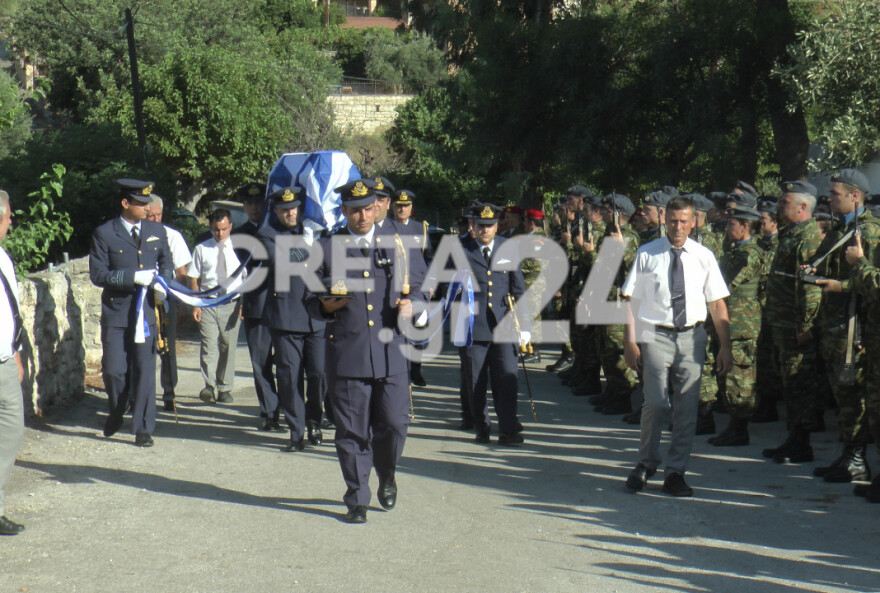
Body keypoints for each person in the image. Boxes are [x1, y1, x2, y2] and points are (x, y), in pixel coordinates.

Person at [307, 178, 428, 524]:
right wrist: (326, 306)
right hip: (348, 352)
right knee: (351, 431)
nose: (362, 215)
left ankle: (387, 473)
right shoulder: (327, 248)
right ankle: (356, 498)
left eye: (368, 208)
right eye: (355, 210)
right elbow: (310, 300)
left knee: (393, 423)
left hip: (392, 352)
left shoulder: (401, 244)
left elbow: (421, 286)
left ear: (377, 207)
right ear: (344, 211)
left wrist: (413, 303)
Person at [622, 195, 732, 497]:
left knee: (687, 408)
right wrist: (629, 342)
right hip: (656, 335)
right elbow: (632, 301)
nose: (678, 227)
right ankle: (645, 464)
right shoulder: (648, 254)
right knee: (656, 404)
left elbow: (717, 303)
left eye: (684, 221)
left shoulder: (703, 256)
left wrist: (726, 345)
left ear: (693, 222)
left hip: (691, 337)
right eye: (673, 221)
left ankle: (676, 473)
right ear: (663, 219)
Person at [89, 179, 172, 447]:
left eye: (148, 202)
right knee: (114, 371)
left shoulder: (156, 229)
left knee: (145, 370)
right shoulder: (105, 233)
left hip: (146, 313)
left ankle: (143, 428)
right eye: (141, 203)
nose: (147, 208)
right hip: (118, 312)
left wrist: (163, 284)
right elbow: (99, 275)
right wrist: (133, 277)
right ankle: (117, 408)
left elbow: (165, 262)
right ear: (126, 204)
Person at [813, 169, 879, 483]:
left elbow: (871, 284)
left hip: (856, 327)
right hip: (836, 324)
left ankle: (856, 459)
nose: (828, 197)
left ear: (855, 196)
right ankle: (849, 453)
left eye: (836, 193)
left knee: (853, 394)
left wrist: (841, 285)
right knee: (842, 393)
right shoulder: (842, 227)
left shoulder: (869, 231)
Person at [258, 186, 327, 451]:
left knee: (319, 374)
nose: (290, 213)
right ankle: (296, 431)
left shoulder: (316, 229)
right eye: (284, 210)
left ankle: (314, 421)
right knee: (289, 377)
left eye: (294, 208)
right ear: (276, 211)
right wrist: (308, 248)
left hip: (316, 316)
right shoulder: (267, 234)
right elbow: (281, 260)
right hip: (286, 316)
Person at [461, 203, 529, 445]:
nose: (485, 230)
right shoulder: (462, 249)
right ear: (474, 226)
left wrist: (526, 326)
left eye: (490, 226)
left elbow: (518, 289)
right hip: (473, 327)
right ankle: (482, 427)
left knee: (507, 380)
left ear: (497, 225)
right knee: (476, 383)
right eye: (481, 226)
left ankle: (508, 429)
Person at [709, 206, 765, 446]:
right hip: (729, 320)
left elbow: (726, 285)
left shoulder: (750, 254)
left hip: (743, 323)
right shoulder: (733, 251)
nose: (727, 228)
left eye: (732, 224)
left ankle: (739, 428)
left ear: (745, 227)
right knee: (728, 373)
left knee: (740, 376)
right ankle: (734, 425)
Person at [233, 182, 281, 430]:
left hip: (284, 304)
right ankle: (270, 412)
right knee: (261, 363)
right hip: (258, 306)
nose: (253, 207)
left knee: (287, 363)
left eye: (258, 202)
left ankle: (291, 408)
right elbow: (257, 259)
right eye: (249, 203)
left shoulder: (281, 229)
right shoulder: (239, 235)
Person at [189, 209, 242, 405]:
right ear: (210, 227)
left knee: (228, 346)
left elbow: (247, 279)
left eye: (224, 229)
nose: (220, 233)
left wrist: (243, 304)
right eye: (216, 229)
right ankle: (209, 386)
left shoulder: (239, 249)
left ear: (231, 227)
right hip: (208, 301)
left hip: (232, 303)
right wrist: (196, 304)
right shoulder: (202, 249)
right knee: (209, 345)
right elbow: (193, 277)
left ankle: (225, 387)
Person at [145, 195, 192, 412]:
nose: (154, 219)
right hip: (144, 297)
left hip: (168, 297)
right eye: (150, 215)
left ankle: (169, 391)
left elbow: (181, 273)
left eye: (158, 215)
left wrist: (182, 304)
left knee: (168, 346)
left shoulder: (172, 236)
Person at [0, 190, 25, 534]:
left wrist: (16, 354)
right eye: (7, 217)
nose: (10, 222)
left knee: (11, 432)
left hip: (5, 360)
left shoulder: (3, 256)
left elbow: (11, 310)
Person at [391, 188, 434, 387]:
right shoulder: (386, 228)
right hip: (396, 286)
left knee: (419, 331)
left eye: (406, 206)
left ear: (411, 207)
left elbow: (429, 258)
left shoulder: (420, 228)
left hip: (418, 286)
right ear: (393, 206)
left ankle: (415, 370)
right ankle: (402, 371)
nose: (402, 209)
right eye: (399, 206)